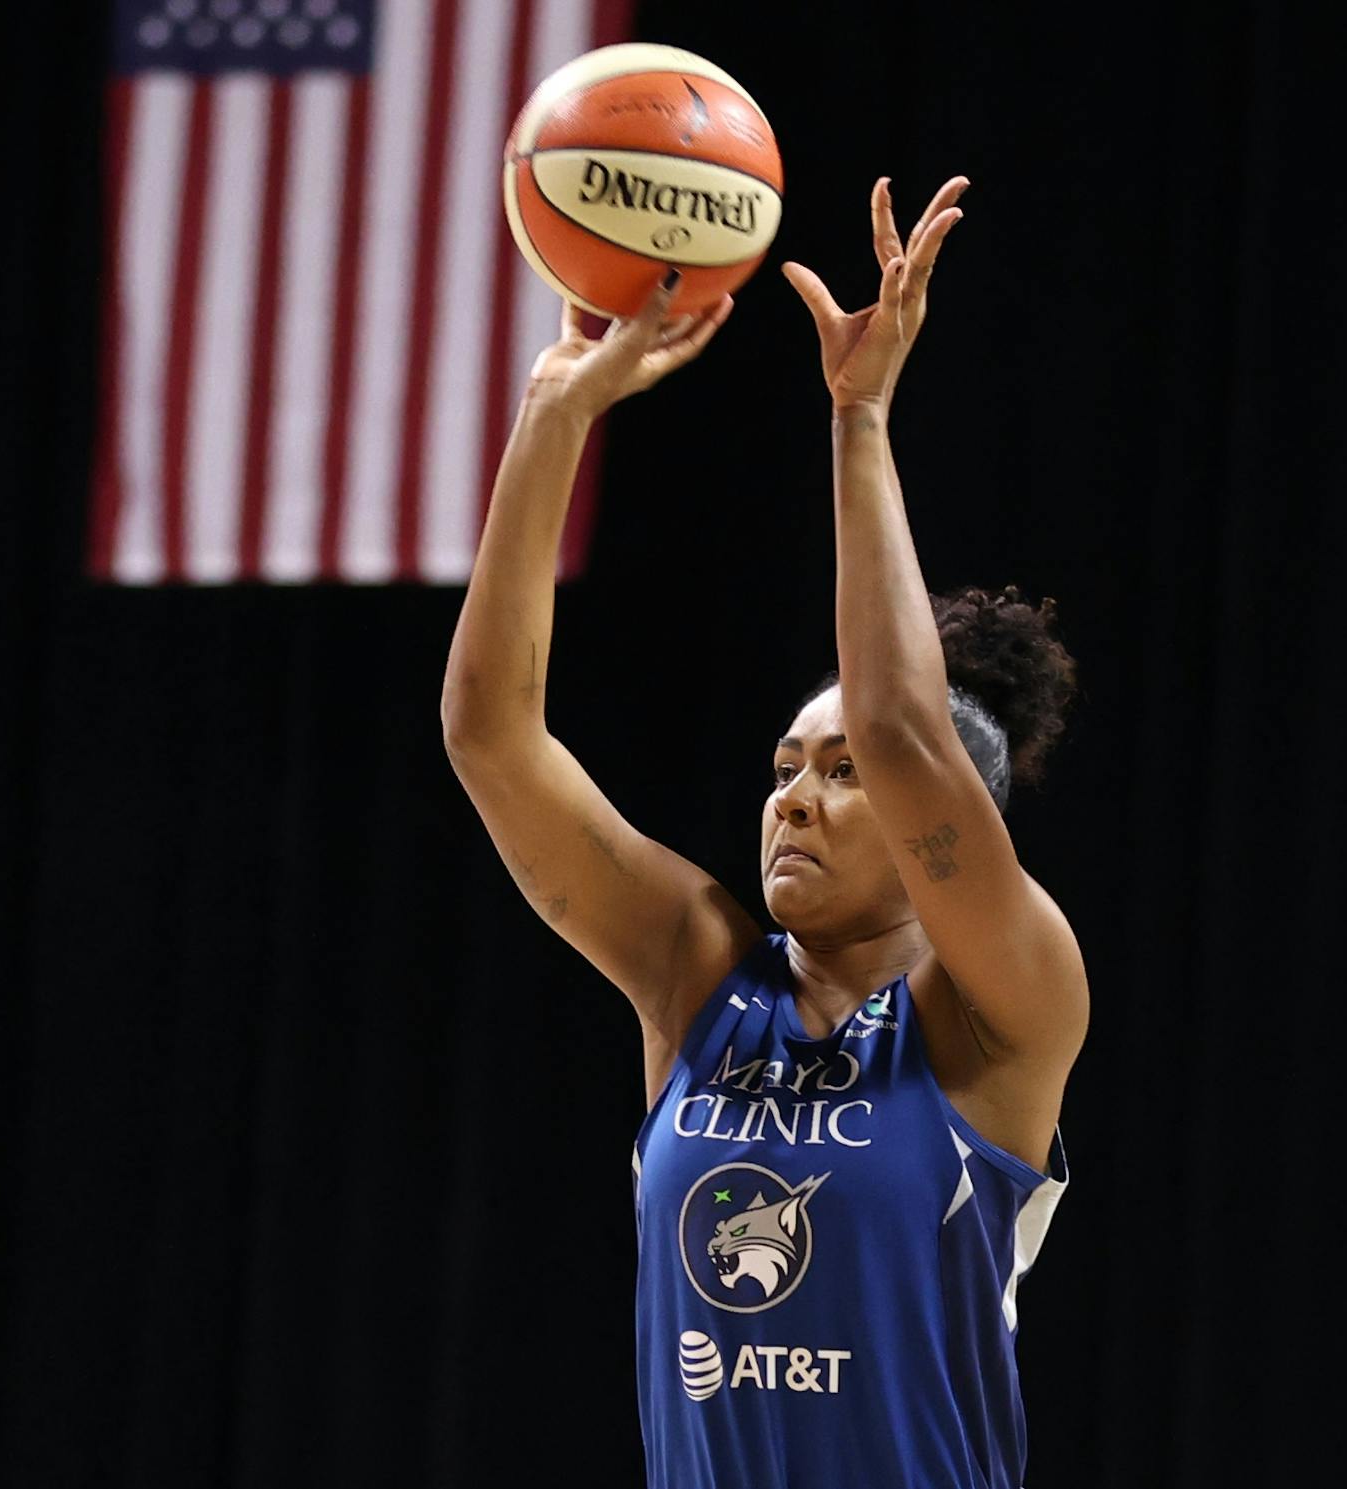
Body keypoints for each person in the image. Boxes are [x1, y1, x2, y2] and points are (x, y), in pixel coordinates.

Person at [441, 176, 1088, 1489]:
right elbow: (490, 739)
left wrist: (859, 420)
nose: (793, 795)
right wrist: (550, 420)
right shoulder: (699, 975)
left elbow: (909, 732)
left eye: (839, 775)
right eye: (785, 765)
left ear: (933, 826)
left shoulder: (1000, 1008)